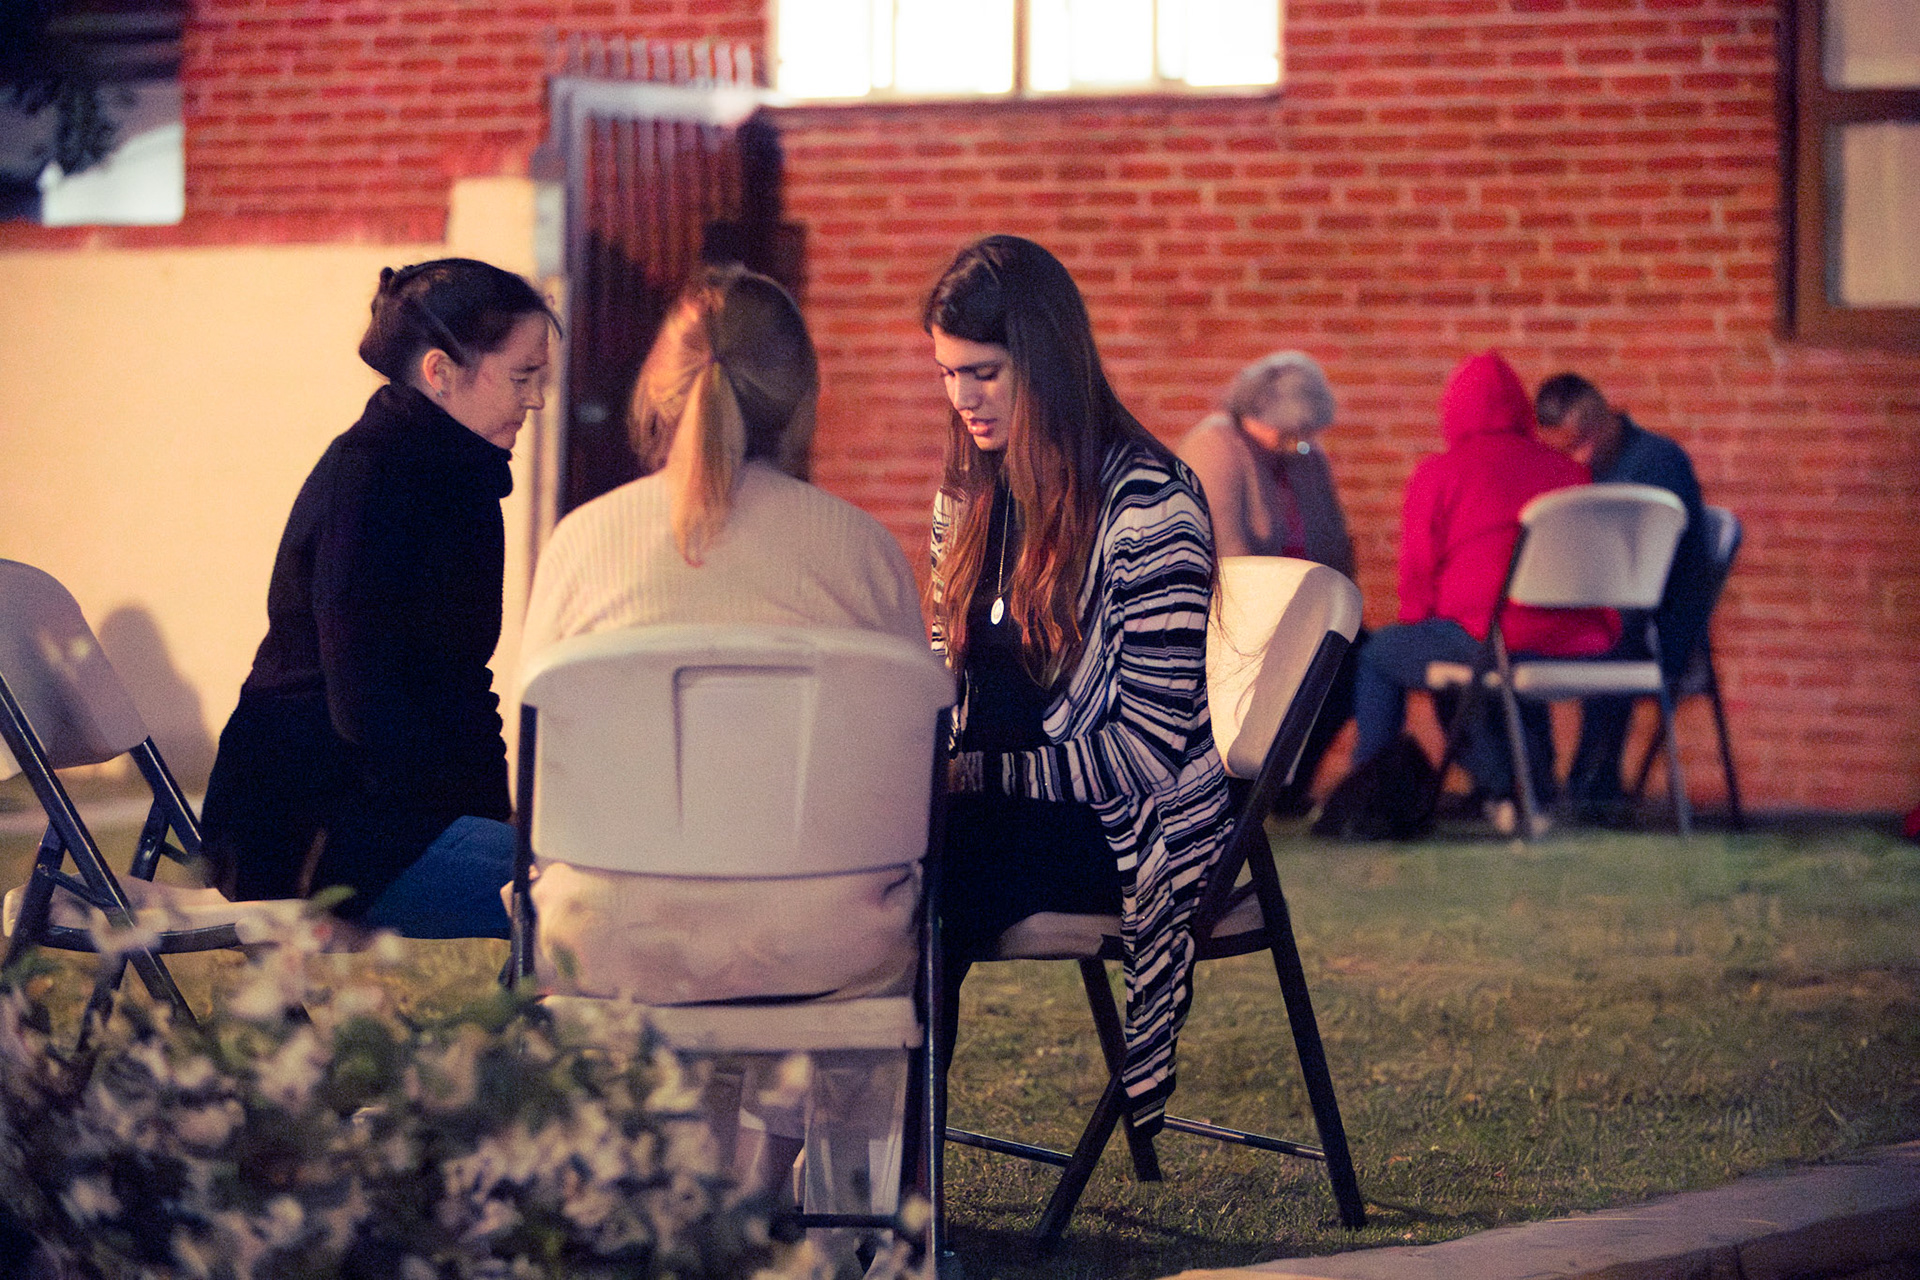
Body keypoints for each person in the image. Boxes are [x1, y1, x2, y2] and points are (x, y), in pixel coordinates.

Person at [518, 263, 924, 1237]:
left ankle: (665, 1192)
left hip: (614, 932)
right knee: (830, 894)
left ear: (658, 390)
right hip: (824, 938)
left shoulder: (581, 544)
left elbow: (532, 774)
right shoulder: (864, 551)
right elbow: (909, 782)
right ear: (802, 395)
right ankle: (817, 1206)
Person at [925, 234, 1230, 1133]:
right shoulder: (968, 495)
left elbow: (1146, 753)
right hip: (991, 809)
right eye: (947, 374)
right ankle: (849, 1165)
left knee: (918, 879)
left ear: (1045, 360)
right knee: (854, 857)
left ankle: (893, 1175)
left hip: (1118, 830)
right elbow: (944, 681)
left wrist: (974, 776)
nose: (963, 398)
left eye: (983, 373)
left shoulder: (1151, 505)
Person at [201, 257, 558, 939]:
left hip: (385, 814)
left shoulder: (460, 477)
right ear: (439, 371)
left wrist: (497, 820)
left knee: (595, 882)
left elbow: (463, 684)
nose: (537, 400)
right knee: (585, 901)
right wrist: (480, 830)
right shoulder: (373, 479)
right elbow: (364, 705)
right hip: (308, 830)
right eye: (522, 377)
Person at [1349, 350, 1618, 835]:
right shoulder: (1569, 471)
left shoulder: (1439, 473)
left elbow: (1418, 572)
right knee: (1487, 660)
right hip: (1572, 638)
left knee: (1381, 655)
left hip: (1487, 633)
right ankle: (1525, 791)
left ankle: (1369, 790)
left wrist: (1419, 625)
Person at [1177, 350, 1359, 813]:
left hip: (1304, 608)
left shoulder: (1303, 454)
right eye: (1288, 431)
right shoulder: (1215, 446)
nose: (1298, 443)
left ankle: (1285, 789)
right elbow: (1228, 553)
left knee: (1353, 659)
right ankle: (1249, 790)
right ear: (1253, 413)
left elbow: (1334, 540)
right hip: (1236, 613)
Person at [1535, 373, 1713, 823]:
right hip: (1608, 612)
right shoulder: (1571, 469)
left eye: (1584, 442)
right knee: (1512, 643)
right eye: (1567, 450)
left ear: (1605, 419)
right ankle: (1537, 785)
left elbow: (1670, 572)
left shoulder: (1659, 463)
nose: (1580, 457)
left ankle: (1589, 792)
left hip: (1661, 622)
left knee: (1607, 633)